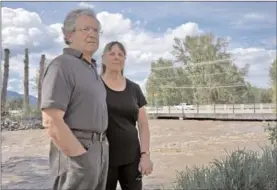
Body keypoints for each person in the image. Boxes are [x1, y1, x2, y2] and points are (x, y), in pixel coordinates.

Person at [40, 8, 109, 190]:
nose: (92, 34)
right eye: (86, 29)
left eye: (95, 30)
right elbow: (51, 120)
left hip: (100, 151)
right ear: (69, 35)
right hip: (77, 154)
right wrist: (81, 160)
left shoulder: (91, 70)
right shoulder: (62, 65)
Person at [100, 41, 153, 190]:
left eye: (120, 54)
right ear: (103, 58)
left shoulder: (134, 88)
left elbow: (143, 125)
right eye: (112, 53)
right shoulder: (95, 86)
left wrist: (145, 155)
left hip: (132, 158)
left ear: (124, 60)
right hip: (103, 159)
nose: (116, 57)